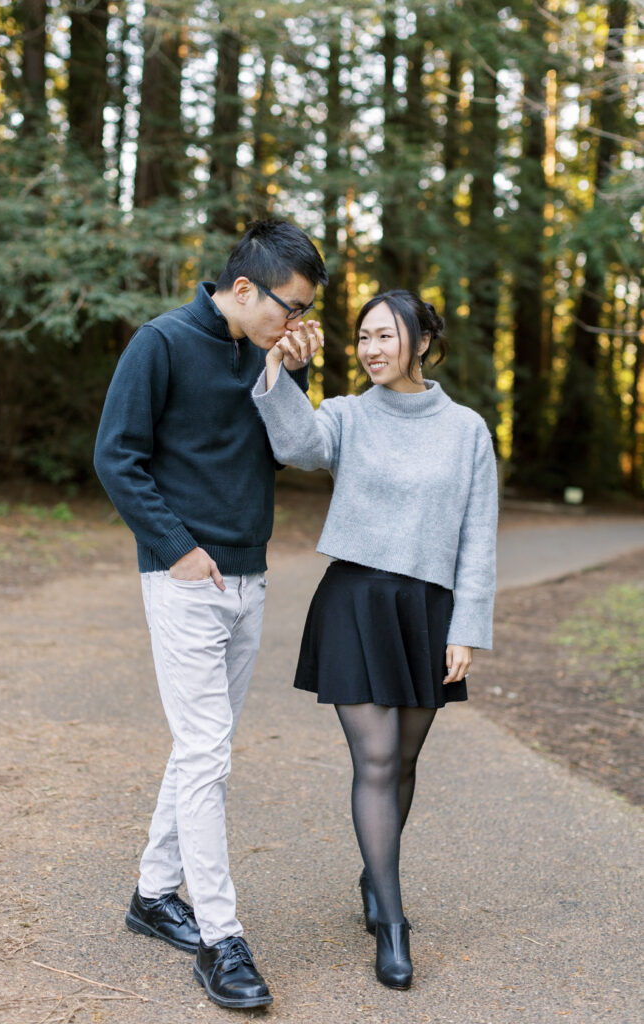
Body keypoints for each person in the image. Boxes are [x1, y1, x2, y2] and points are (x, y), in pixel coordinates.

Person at [94, 220, 327, 1010]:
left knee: (204, 746)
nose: (291, 322)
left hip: (250, 577)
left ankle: (153, 893)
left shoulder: (265, 356)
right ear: (240, 289)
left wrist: (290, 371)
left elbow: (299, 451)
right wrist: (178, 550)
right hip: (187, 578)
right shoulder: (159, 345)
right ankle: (222, 940)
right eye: (286, 308)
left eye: (299, 312)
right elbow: (115, 455)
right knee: (207, 755)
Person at [252, 290, 497, 990]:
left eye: (385, 336)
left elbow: (477, 535)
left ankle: (373, 871)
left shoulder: (466, 430)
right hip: (356, 600)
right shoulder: (346, 415)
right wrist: (277, 369)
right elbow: (296, 445)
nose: (371, 349)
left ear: (420, 341)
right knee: (379, 756)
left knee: (406, 760)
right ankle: (392, 922)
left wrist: (467, 628)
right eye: (362, 337)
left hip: (427, 608)